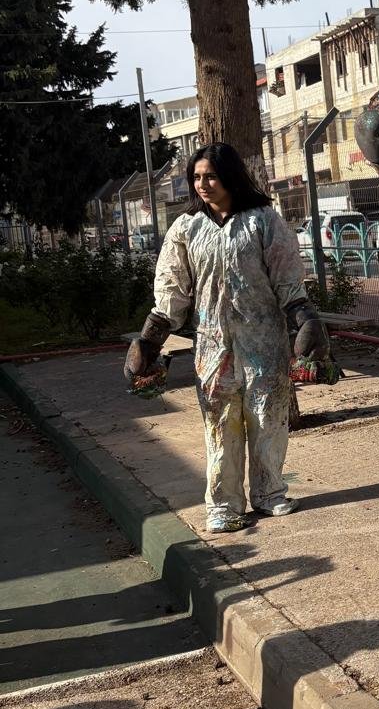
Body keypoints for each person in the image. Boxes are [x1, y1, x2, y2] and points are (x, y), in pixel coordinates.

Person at [123, 143, 330, 533]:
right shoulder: (186, 228)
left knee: (268, 418)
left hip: (264, 343)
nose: (203, 184)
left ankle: (270, 493)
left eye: (211, 176)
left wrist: (305, 320)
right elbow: (172, 290)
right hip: (212, 346)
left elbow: (287, 277)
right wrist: (149, 340)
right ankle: (223, 505)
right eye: (197, 177)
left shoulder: (264, 220)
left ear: (230, 177)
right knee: (220, 425)